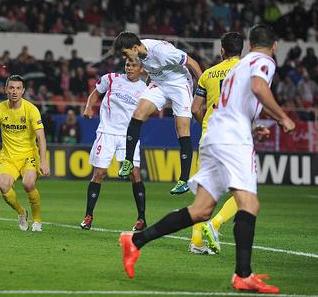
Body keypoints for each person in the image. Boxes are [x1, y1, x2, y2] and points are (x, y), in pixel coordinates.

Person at [119, 24, 296, 294]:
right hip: (232, 139)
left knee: (201, 210)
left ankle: (135, 241)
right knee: (248, 202)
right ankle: (242, 275)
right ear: (274, 46)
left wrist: (250, 126)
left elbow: (224, 105)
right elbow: (260, 88)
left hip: (214, 134)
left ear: (249, 45)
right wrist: (282, 117)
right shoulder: (262, 61)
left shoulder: (238, 67)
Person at [112, 31, 203, 195]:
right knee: (138, 113)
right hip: (159, 84)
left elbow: (193, 63)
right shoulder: (137, 53)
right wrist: (148, 86)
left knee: (182, 129)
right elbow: (152, 69)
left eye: (125, 53)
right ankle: (129, 161)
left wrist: (203, 89)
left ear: (134, 47)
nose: (125, 58)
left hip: (179, 84)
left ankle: (183, 180)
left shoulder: (163, 52)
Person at [188, 32, 243, 255]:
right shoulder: (246, 69)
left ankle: (197, 242)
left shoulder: (208, 74)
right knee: (245, 191)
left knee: (203, 192)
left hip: (208, 137)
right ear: (242, 50)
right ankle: (216, 223)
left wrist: (205, 125)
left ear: (222, 50)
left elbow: (194, 109)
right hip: (233, 137)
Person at [81, 58, 148, 231]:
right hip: (107, 132)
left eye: (134, 65)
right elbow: (95, 93)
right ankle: (88, 216)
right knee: (100, 173)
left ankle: (141, 218)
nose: (130, 68)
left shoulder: (146, 89)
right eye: (127, 65)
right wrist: (89, 106)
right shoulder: (111, 78)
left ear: (141, 69)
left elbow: (150, 109)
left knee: (134, 174)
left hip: (129, 136)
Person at [0, 75, 50, 232]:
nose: (14, 91)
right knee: (3, 186)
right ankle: (21, 212)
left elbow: (41, 137)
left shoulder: (31, 110)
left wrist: (43, 161)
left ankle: (37, 221)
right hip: (8, 157)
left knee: (28, 183)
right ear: (6, 89)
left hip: (29, 156)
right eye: (11, 88)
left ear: (23, 91)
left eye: (18, 88)